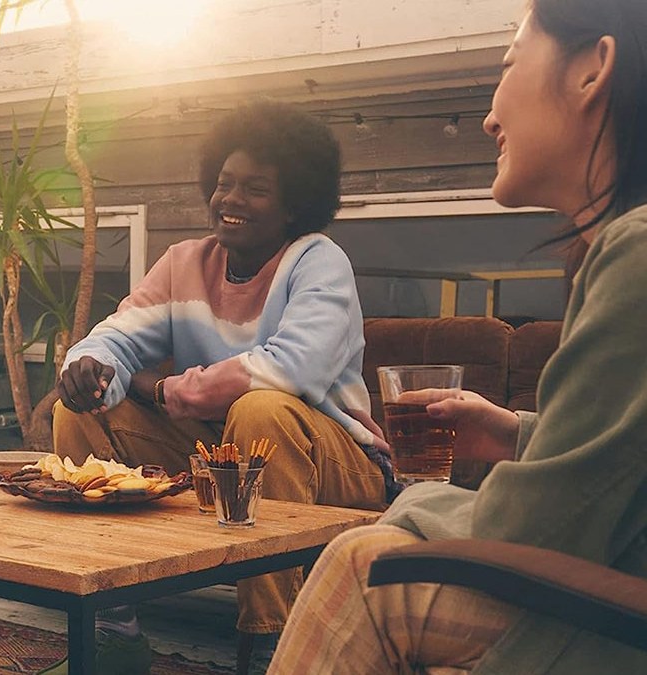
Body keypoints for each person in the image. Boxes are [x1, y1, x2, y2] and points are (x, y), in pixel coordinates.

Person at [267, 0, 647, 672]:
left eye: (508, 63)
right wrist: (515, 434)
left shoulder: (637, 254)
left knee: (363, 565)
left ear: (593, 69)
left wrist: (412, 502)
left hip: (620, 623)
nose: (489, 116)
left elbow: (532, 528)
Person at [50, 99, 392, 674]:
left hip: (338, 468)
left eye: (255, 189)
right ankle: (113, 626)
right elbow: (117, 335)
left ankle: (273, 645)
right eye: (225, 184)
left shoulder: (317, 262)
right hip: (218, 461)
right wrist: (91, 365)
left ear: (293, 205)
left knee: (261, 413)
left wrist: (166, 392)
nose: (231, 200)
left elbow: (290, 370)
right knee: (76, 411)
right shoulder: (185, 261)